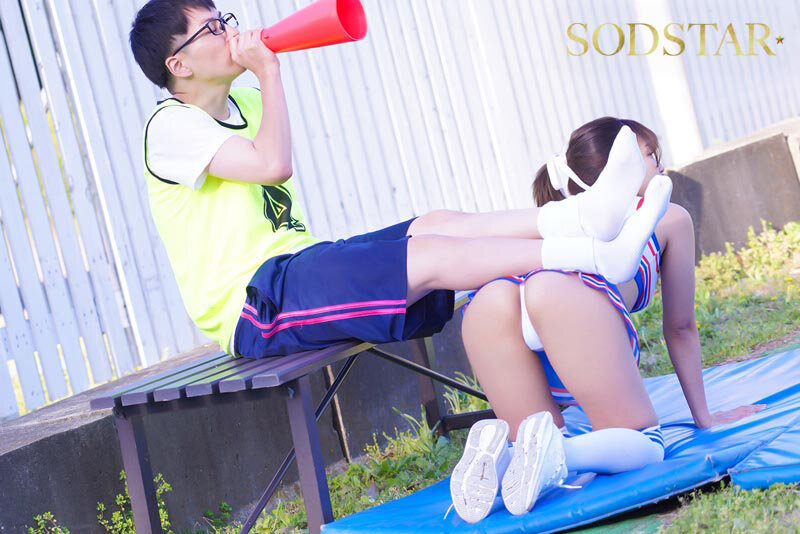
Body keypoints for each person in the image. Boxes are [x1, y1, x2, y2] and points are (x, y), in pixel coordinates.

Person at [129, 0, 666, 365]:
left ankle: (581, 217)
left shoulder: (246, 102)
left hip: (298, 265)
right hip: (254, 305)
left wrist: (264, 79)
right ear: (179, 64)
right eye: (212, 29)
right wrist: (268, 71)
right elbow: (272, 166)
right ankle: (597, 256)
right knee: (429, 254)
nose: (229, 32)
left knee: (434, 225)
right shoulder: (169, 126)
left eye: (225, 19)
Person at [448, 117, 766, 524]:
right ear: (622, 166)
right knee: (643, 444)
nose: (660, 164)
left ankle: (501, 457)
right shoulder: (667, 216)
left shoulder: (553, 218)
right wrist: (704, 417)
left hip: (490, 303)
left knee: (533, 449)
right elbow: (680, 327)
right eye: (649, 155)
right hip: (562, 294)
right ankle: (559, 451)